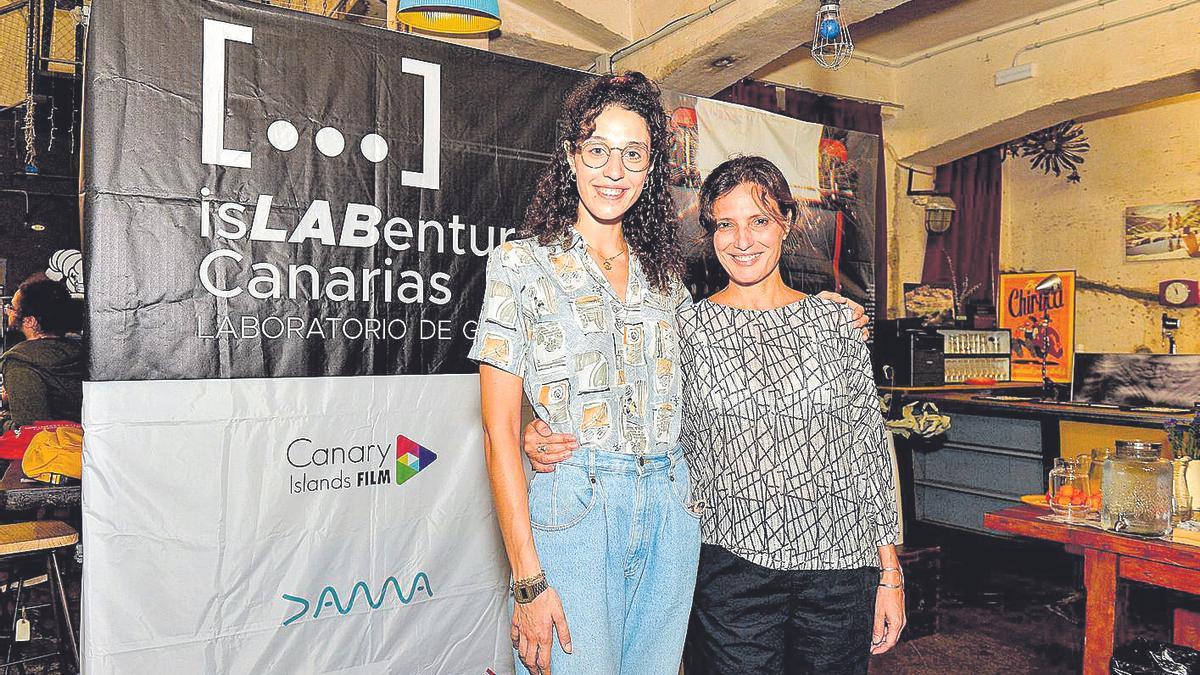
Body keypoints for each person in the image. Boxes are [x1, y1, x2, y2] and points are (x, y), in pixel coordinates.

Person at [473, 73, 869, 675]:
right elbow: (498, 430)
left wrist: (824, 310)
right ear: (572, 157)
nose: (614, 170)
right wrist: (527, 579)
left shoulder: (666, 279)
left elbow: (734, 351)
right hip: (578, 507)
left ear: (651, 164)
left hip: (673, 507)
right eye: (598, 150)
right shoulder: (520, 263)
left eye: (632, 154)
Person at [1, 278, 84, 434]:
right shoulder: (79, 349)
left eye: (11, 307)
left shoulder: (21, 362)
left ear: (30, 321)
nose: (8, 312)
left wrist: (3, 422)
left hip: (47, 454)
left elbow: (29, 430)